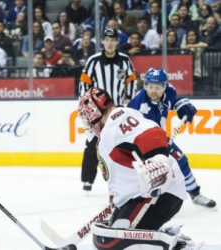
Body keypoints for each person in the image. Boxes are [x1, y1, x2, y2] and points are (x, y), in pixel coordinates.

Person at [78, 88, 200, 250]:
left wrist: (158, 160)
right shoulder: (108, 133)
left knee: (115, 243)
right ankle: (171, 239)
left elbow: (151, 133)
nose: (87, 124)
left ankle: (174, 245)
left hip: (156, 192)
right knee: (107, 238)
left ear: (95, 112)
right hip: (143, 196)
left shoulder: (117, 119)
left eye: (87, 117)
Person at [128, 68, 216, 208]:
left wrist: (181, 105)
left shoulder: (169, 90)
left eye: (157, 87)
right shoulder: (138, 104)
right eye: (150, 87)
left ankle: (195, 194)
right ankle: (146, 202)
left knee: (181, 160)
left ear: (164, 86)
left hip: (159, 137)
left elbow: (173, 101)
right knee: (152, 172)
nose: (154, 91)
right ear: (145, 86)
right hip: (141, 142)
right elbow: (132, 131)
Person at [78, 28, 138, 192]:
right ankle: (88, 179)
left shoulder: (125, 60)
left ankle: (122, 177)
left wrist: (129, 99)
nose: (110, 43)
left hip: (117, 110)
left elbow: (131, 80)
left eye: (113, 40)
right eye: (107, 40)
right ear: (103, 41)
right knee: (92, 143)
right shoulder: (93, 60)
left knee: (120, 143)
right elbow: (84, 82)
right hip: (97, 112)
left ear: (117, 42)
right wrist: (87, 106)